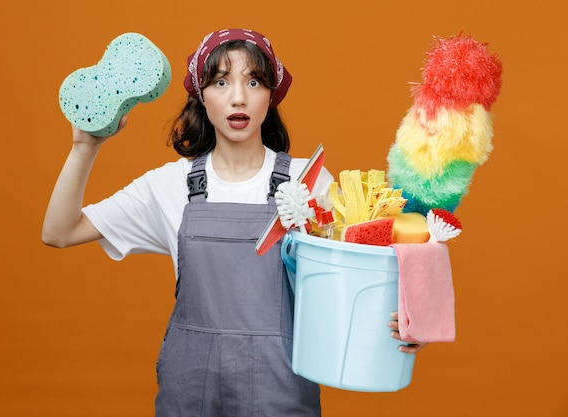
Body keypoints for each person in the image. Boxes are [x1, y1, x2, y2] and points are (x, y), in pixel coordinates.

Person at [42, 28, 426, 416]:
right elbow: (60, 232)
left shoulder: (307, 182)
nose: (238, 97)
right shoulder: (170, 184)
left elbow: (356, 276)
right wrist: (83, 148)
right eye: (221, 82)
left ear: (270, 97)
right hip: (189, 394)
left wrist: (413, 317)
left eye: (254, 81)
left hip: (281, 393)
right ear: (201, 96)